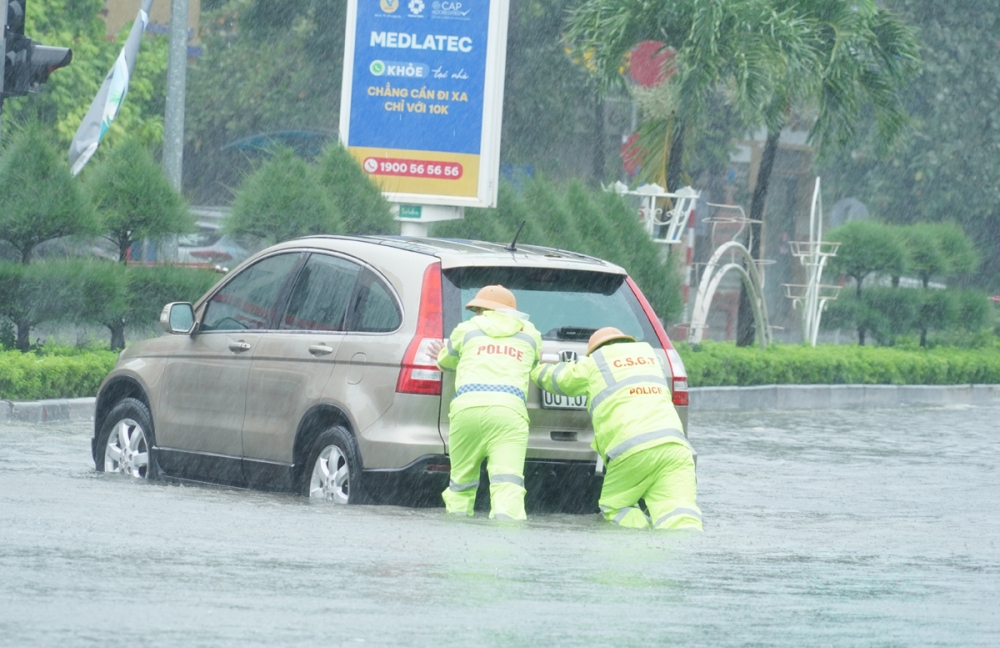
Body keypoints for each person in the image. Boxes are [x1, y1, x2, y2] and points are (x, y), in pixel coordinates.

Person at [532, 327, 702, 530]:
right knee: (680, 514)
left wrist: (534, 366)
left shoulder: (596, 362)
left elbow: (558, 380)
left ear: (595, 349)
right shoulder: (652, 357)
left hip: (632, 449)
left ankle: (639, 543)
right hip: (676, 449)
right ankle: (678, 553)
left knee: (615, 507)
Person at [433, 285, 542, 520]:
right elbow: (532, 366)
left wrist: (441, 357)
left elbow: (447, 361)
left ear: (481, 309)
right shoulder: (530, 334)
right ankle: (505, 543)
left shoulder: (466, 329)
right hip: (509, 412)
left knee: (461, 482)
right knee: (508, 484)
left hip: (467, 409)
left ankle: (456, 532)